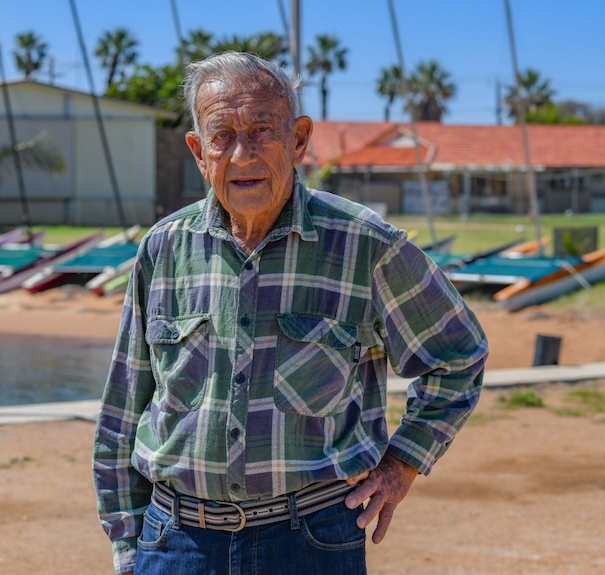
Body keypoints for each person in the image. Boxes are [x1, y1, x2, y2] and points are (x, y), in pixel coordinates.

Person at [92, 51, 488, 575]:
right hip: (175, 543)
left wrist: (402, 464)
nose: (242, 154)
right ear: (198, 151)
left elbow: (458, 356)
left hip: (309, 542)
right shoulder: (162, 249)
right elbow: (124, 408)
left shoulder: (366, 246)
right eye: (222, 135)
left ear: (299, 139)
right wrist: (127, 545)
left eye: (261, 130)